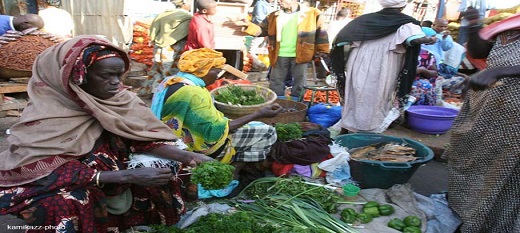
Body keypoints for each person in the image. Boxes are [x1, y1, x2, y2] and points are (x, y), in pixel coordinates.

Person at [0, 36, 213, 232]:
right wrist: (126, 175)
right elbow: (47, 169)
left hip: (113, 171)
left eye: (119, 75)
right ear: (77, 76)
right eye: (106, 75)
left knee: (167, 172)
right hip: (63, 182)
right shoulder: (46, 114)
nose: (116, 83)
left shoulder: (120, 101)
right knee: (67, 203)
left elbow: (140, 140)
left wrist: (189, 156)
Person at [151, 48, 282, 187]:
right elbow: (215, 131)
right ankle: (233, 173)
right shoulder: (192, 92)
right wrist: (258, 114)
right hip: (192, 148)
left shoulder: (172, 80)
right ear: (204, 70)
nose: (218, 76)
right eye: (216, 70)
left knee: (254, 126)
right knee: (266, 131)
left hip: (171, 140)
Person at [443, 13, 520, 233]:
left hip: (515, 121)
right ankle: (466, 212)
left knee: (504, 175)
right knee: (472, 158)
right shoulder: (510, 24)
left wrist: (499, 71)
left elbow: (500, 68)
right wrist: (475, 25)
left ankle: (490, 223)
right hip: (490, 110)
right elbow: (479, 53)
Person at [330, 0, 436, 134]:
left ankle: (349, 126)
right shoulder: (406, 23)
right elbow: (414, 40)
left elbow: (342, 38)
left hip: (359, 60)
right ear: (402, 6)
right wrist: (429, 40)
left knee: (356, 91)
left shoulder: (365, 20)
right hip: (385, 62)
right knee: (377, 94)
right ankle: (367, 129)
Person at [242, 0, 329, 100]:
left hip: (302, 54)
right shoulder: (273, 16)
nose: (279, 1)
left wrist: (322, 50)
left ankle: (297, 104)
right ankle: (277, 103)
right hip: (279, 54)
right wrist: (248, 26)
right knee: (276, 81)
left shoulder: (313, 14)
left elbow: (322, 33)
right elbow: (261, 30)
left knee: (300, 82)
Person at [141, 0, 193, 97]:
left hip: (159, 45)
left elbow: (153, 28)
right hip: (173, 47)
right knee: (169, 72)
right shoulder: (187, 17)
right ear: (185, 3)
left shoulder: (164, 14)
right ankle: (164, 95)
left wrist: (154, 39)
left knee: (157, 69)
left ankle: (150, 92)